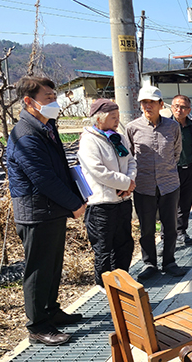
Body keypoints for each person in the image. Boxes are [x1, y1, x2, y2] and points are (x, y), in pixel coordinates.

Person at [6, 76, 86, 345]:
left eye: (55, 96)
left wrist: (75, 197)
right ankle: (38, 326)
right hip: (35, 212)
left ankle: (51, 310)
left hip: (52, 209)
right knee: (38, 269)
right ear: (29, 101)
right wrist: (74, 204)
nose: (55, 102)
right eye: (48, 98)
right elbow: (42, 178)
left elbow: (61, 170)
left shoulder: (46, 126)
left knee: (53, 265)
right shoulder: (24, 135)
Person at [126, 85, 185, 279]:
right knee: (147, 228)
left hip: (169, 184)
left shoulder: (173, 127)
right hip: (143, 186)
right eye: (144, 102)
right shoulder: (132, 128)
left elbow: (176, 152)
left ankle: (169, 261)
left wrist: (165, 168)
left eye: (151, 102)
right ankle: (149, 263)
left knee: (170, 226)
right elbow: (129, 156)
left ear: (161, 104)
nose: (147, 106)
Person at [78, 99, 137, 290]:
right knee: (104, 248)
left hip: (123, 200)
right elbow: (98, 171)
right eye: (113, 117)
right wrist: (126, 183)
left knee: (125, 245)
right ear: (99, 118)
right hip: (102, 203)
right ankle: (104, 287)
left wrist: (129, 183)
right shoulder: (89, 140)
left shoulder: (118, 137)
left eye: (118, 116)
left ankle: (122, 282)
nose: (116, 120)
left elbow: (131, 161)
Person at [171, 95, 192, 246]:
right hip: (171, 171)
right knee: (169, 205)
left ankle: (182, 232)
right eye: (176, 106)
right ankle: (168, 236)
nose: (179, 109)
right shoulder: (166, 126)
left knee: (185, 204)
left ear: (189, 110)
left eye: (183, 107)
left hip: (189, 169)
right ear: (171, 107)